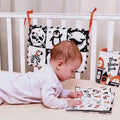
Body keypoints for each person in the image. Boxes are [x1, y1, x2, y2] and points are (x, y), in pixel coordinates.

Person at [0, 41, 83, 109]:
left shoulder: (50, 72)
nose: (72, 75)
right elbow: (48, 100)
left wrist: (68, 94)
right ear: (60, 64)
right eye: (72, 71)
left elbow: (56, 89)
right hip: (7, 88)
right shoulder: (49, 78)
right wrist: (65, 103)